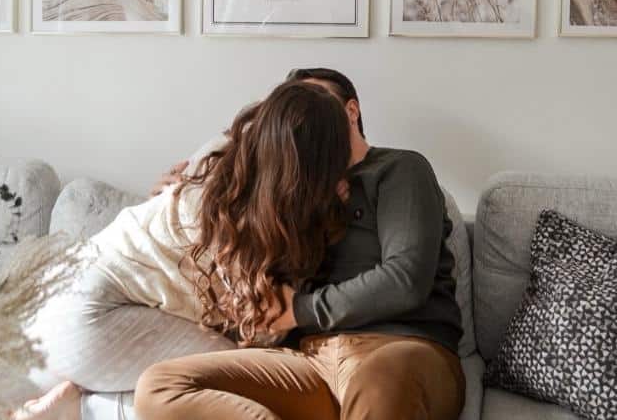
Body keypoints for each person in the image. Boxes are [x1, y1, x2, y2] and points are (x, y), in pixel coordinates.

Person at [134, 67, 465, 420]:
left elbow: (406, 280)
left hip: (405, 351)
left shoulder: (399, 169)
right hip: (310, 361)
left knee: (380, 377)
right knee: (161, 385)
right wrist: (176, 199)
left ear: (350, 113)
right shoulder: (287, 197)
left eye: (319, 104)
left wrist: (302, 310)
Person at [12, 80, 352, 420]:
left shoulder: (223, 166)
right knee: (248, 380)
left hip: (57, 298)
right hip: (90, 317)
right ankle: (88, 408)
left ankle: (78, 401)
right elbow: (263, 331)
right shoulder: (226, 221)